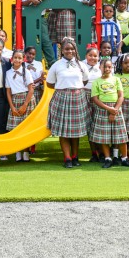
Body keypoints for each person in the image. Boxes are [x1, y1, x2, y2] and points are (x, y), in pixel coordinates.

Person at [46, 39, 90, 168]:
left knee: (75, 132)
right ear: (62, 51)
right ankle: (67, 158)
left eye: (72, 49)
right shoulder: (56, 65)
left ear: (75, 50)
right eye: (66, 49)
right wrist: (64, 88)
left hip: (78, 98)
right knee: (64, 131)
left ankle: (75, 157)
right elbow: (49, 83)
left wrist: (74, 88)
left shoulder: (81, 65)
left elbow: (85, 81)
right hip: (62, 98)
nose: (69, 51)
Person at [90, 58, 129, 168]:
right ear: (100, 68)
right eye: (104, 67)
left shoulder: (116, 80)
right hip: (102, 109)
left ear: (112, 68)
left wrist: (114, 110)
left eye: (109, 67)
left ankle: (124, 158)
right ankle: (108, 158)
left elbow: (121, 96)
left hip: (116, 109)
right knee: (104, 137)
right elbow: (95, 99)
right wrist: (108, 109)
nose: (107, 69)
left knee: (121, 136)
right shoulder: (96, 82)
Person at [5, 49, 36, 162]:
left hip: (26, 99)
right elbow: (8, 91)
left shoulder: (26, 72)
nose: (17, 60)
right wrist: (12, 107)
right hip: (15, 99)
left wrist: (25, 105)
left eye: (19, 58)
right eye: (15, 57)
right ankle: (18, 151)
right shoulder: (8, 73)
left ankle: (26, 151)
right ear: (12, 59)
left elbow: (31, 90)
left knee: (26, 127)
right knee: (16, 128)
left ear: (23, 60)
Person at [82, 47, 103, 162]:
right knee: (89, 126)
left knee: (98, 125)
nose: (93, 58)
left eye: (95, 56)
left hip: (98, 97)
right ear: (86, 56)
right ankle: (94, 153)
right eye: (90, 55)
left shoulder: (101, 67)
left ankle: (102, 152)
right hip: (84, 96)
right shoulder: (81, 66)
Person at [116, 53, 129, 144]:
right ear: (120, 64)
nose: (128, 65)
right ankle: (120, 141)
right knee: (122, 120)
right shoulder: (116, 76)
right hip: (120, 102)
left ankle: (128, 140)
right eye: (125, 63)